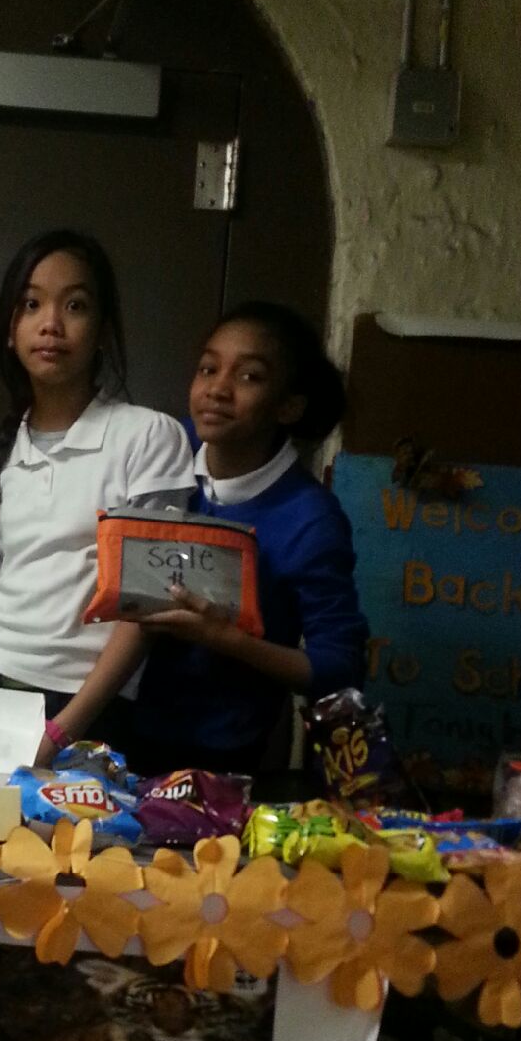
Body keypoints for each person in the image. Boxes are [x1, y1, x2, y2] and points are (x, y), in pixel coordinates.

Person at [0, 228, 193, 764]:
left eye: (75, 305)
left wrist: (60, 732)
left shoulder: (148, 437)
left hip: (84, 709)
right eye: (31, 304)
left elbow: (147, 608)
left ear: (103, 330)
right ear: (10, 330)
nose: (51, 324)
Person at [125, 300, 369, 775]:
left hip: (221, 754)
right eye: (208, 368)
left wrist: (228, 640)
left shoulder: (309, 518)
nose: (217, 389)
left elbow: (340, 666)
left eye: (249, 376)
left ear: (289, 405)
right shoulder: (164, 452)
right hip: (112, 718)